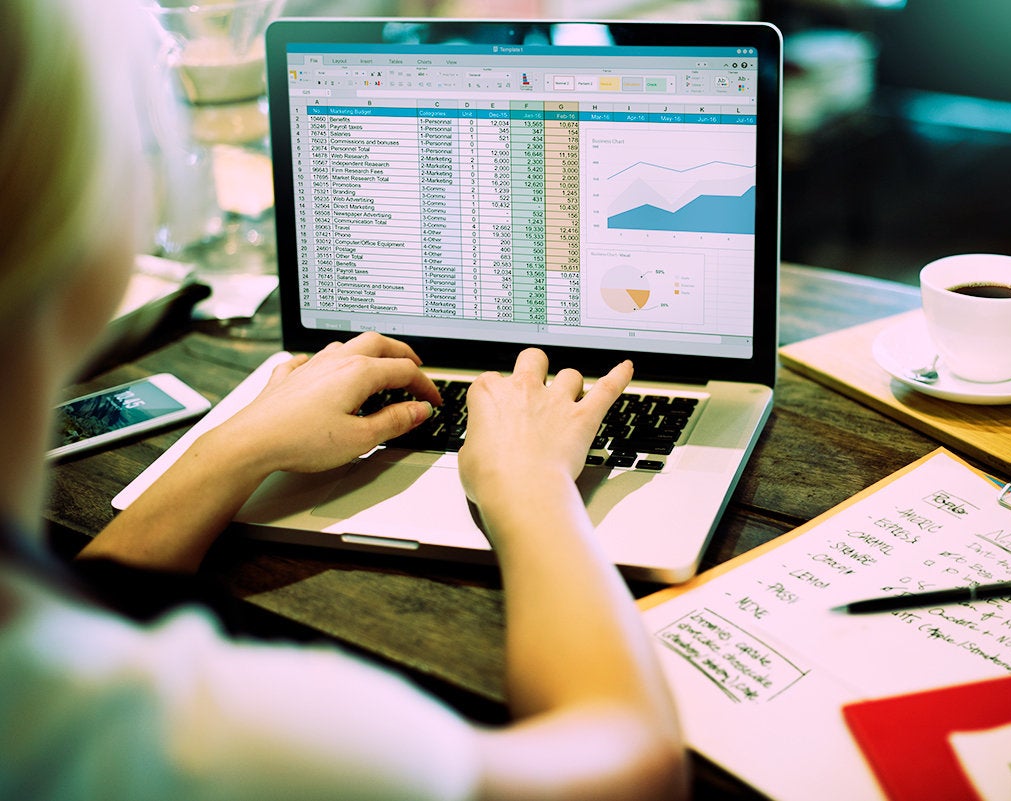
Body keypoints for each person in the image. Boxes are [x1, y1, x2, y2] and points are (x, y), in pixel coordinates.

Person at [0, 0, 687, 798]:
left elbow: (92, 608)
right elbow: (633, 766)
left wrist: (234, 447)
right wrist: (530, 488)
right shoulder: (216, 736)